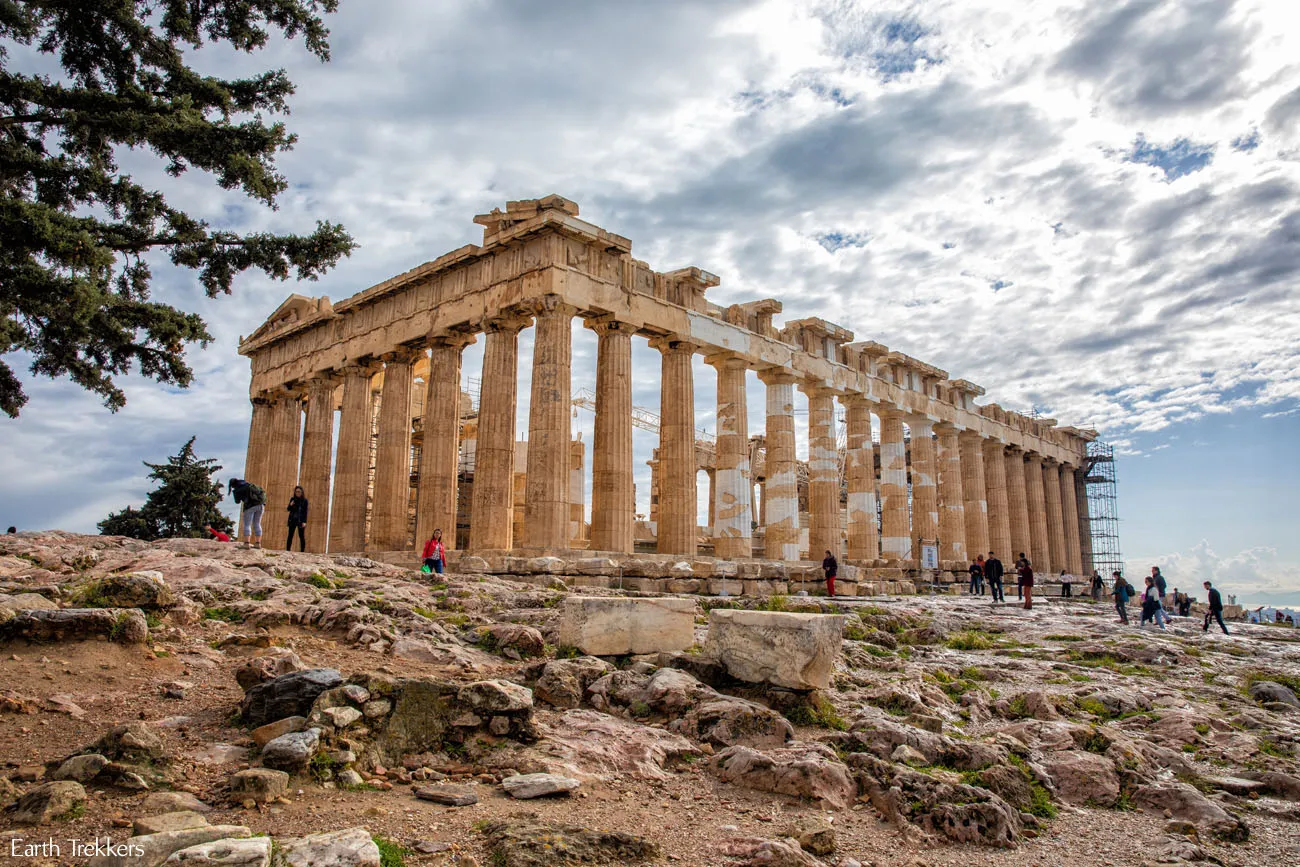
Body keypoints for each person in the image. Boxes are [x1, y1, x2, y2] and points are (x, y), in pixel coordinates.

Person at [228, 478, 266, 548]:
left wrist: (236, 493)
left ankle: (246, 543)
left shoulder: (237, 489)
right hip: (260, 505)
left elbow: (237, 501)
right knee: (257, 523)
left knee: (247, 524)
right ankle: (258, 543)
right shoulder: (248, 484)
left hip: (249, 506)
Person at [286, 486, 309, 552]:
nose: (297, 493)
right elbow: (288, 509)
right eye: (296, 492)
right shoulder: (292, 499)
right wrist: (290, 504)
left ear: (302, 492)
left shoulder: (305, 501)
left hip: (300, 520)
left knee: (301, 536)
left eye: (299, 492)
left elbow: (305, 512)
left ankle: (302, 551)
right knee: (290, 536)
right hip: (292, 519)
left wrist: (304, 521)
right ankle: (288, 550)